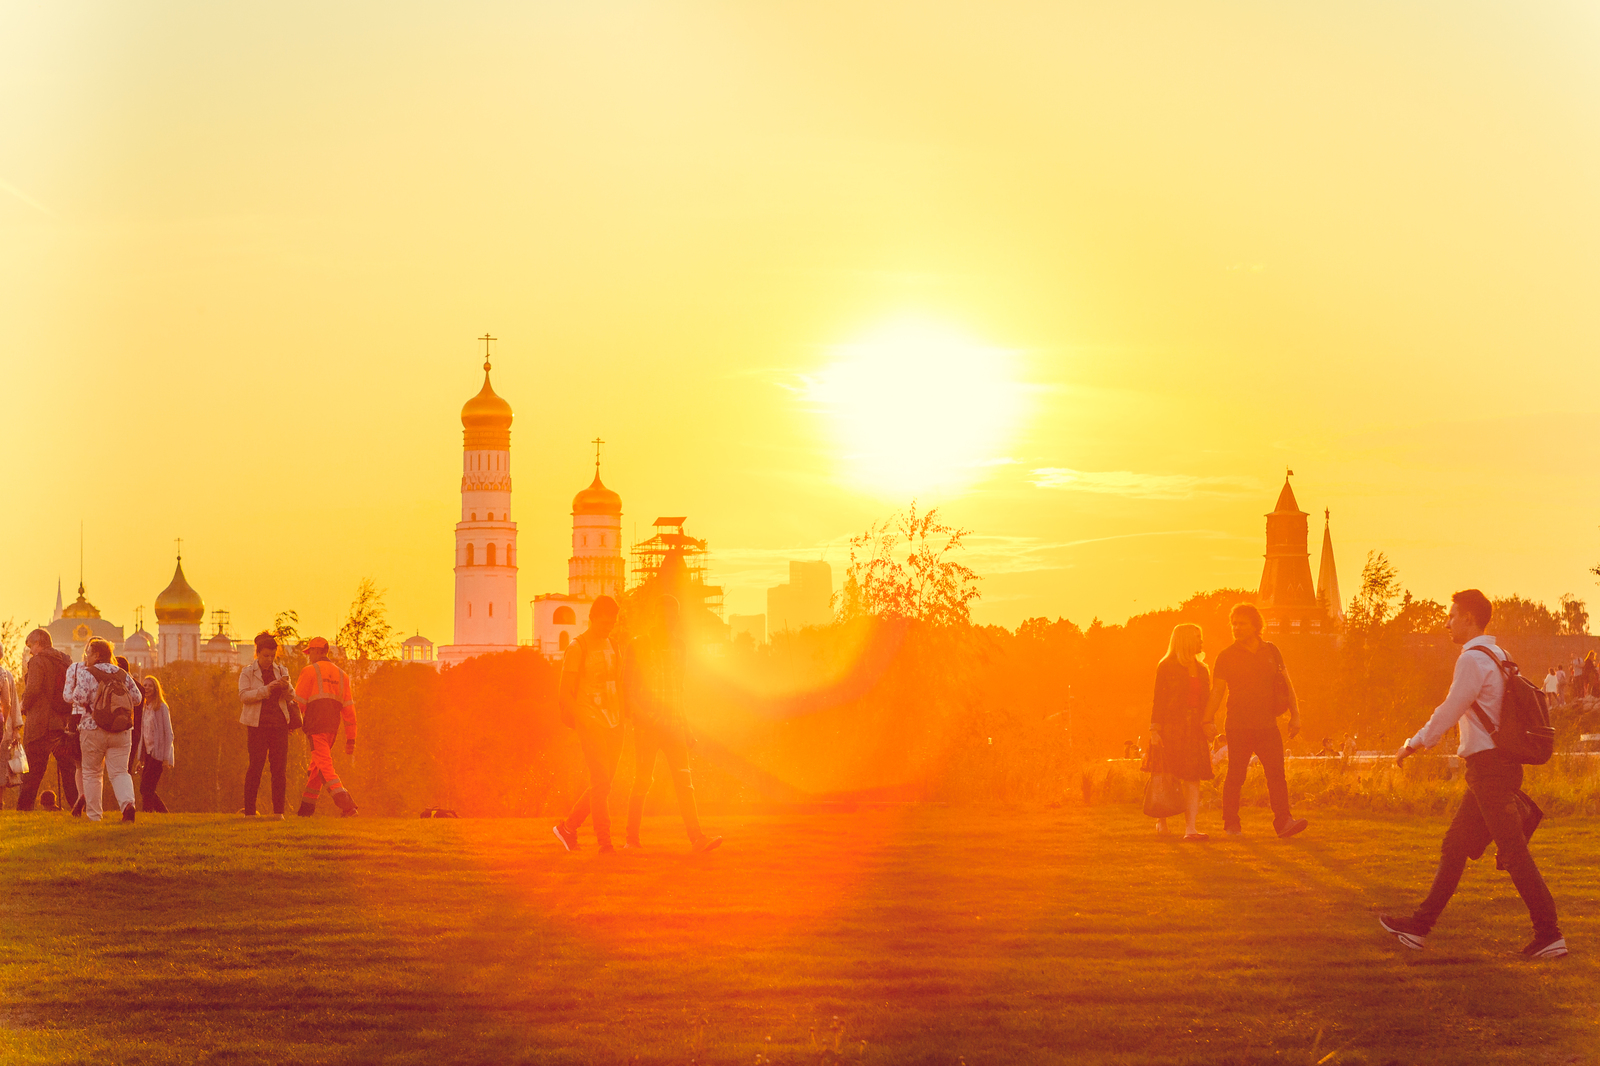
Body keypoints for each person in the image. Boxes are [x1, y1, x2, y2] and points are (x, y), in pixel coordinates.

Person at [1379, 589, 1565, 959]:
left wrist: (1413, 744)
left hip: (1489, 771)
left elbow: (1450, 709)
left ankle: (1549, 934)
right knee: (1455, 846)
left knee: (1513, 853)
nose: (1446, 623)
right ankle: (1419, 927)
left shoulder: (1471, 661)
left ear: (1468, 618)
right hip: (1501, 768)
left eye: (1451, 616)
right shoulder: (1500, 656)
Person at [622, 596, 722, 852]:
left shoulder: (680, 647)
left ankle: (698, 839)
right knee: (643, 781)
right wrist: (647, 718)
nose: (668, 620)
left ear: (676, 619)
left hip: (675, 726)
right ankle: (631, 841)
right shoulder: (638, 645)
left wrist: (686, 727)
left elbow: (679, 690)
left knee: (684, 782)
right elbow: (629, 691)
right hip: (648, 727)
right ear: (656, 617)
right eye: (663, 615)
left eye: (672, 616)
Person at [1204, 603, 1309, 839]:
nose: (1236, 628)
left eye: (1242, 623)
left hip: (1268, 725)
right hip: (1238, 725)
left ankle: (1284, 822)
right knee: (1236, 775)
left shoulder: (1272, 651)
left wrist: (1296, 715)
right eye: (1234, 623)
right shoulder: (1226, 656)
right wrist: (1207, 720)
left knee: (1276, 775)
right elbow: (1217, 692)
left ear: (1255, 625)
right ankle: (1231, 824)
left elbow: (1287, 683)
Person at [553, 596, 625, 853]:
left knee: (603, 784)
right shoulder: (577, 647)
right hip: (590, 721)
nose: (609, 627)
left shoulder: (614, 645)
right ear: (593, 618)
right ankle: (605, 842)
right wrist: (580, 722)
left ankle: (568, 828)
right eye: (605, 622)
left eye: (612, 623)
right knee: (601, 781)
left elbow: (618, 685)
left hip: (615, 723)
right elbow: (565, 693)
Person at [1147, 623, 1212, 841]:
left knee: (1192, 779)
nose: (1201, 641)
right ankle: (1161, 821)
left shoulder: (1202, 669)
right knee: (1168, 774)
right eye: (1197, 637)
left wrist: (1208, 723)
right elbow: (1159, 699)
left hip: (1194, 728)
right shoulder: (1166, 666)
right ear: (1184, 640)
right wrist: (1155, 729)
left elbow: (1205, 702)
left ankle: (1190, 829)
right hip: (1171, 727)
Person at [63, 638, 138, 822]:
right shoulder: (121, 673)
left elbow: (79, 698)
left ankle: (95, 816)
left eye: (88, 653)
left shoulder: (87, 673)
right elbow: (136, 698)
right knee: (120, 772)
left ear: (96, 655)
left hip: (92, 728)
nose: (86, 656)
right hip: (121, 730)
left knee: (91, 772)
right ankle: (128, 804)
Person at [293, 637, 358, 817]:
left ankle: (347, 806)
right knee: (317, 768)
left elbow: (298, 703)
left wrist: (290, 724)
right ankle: (305, 811)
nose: (309, 656)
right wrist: (350, 739)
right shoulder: (343, 675)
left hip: (315, 727)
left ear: (318, 651)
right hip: (332, 730)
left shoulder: (309, 671)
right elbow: (349, 711)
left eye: (310, 652)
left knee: (325, 767)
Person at [16, 629, 79, 812]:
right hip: (62, 723)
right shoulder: (65, 661)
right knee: (68, 770)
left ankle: (24, 809)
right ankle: (77, 806)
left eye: (30, 646)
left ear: (38, 643)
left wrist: (23, 705)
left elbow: (33, 689)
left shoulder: (38, 661)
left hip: (40, 725)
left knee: (33, 771)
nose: (30, 651)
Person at [239, 632, 295, 817]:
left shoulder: (282, 671)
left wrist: (285, 688)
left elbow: (291, 696)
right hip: (257, 726)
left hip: (279, 725)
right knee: (256, 767)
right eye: (265, 656)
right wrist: (266, 690)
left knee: (279, 769)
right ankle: (249, 812)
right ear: (258, 653)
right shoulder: (247, 672)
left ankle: (278, 812)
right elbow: (244, 696)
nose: (269, 659)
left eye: (272, 656)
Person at [137, 675, 175, 813]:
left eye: (150, 685)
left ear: (156, 689)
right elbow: (143, 733)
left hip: (157, 754)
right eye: (145, 685)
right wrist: (140, 758)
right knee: (147, 788)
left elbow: (168, 733)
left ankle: (152, 812)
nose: (146, 688)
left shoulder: (161, 708)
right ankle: (160, 813)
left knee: (146, 787)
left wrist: (166, 757)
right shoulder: (145, 708)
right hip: (148, 753)